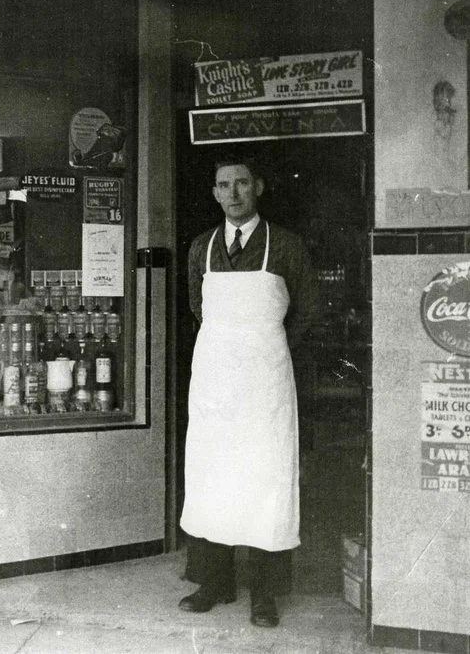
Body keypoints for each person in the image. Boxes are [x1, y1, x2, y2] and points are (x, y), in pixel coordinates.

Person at [179, 154, 319, 628]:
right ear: (215, 193)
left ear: (257, 186)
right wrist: (231, 346)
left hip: (266, 381)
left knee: (265, 480)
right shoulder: (201, 247)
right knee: (212, 476)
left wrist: (264, 346)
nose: (233, 192)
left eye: (242, 183)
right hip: (216, 378)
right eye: (224, 185)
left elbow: (307, 312)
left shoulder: (286, 244)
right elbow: (198, 308)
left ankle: (265, 593)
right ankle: (214, 581)